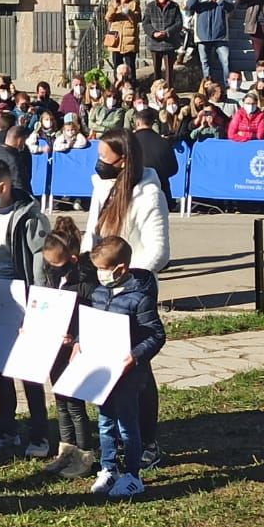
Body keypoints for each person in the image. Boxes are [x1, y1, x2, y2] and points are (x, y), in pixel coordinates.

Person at [82, 128, 170, 468]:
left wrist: (127, 278)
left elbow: (159, 250)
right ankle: (114, 438)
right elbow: (93, 232)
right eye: (99, 157)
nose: (100, 163)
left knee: (137, 372)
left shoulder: (149, 195)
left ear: (125, 161)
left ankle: (147, 442)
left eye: (107, 158)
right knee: (105, 364)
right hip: (101, 289)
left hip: (132, 291)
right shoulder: (101, 186)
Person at [0, 158, 51, 457]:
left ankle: (39, 433)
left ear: (1, 187)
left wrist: (39, 307)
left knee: (28, 369)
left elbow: (40, 264)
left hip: (24, 295)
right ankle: (6, 428)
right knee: (0, 368)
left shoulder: (30, 218)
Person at [84, 236, 165, 500]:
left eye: (102, 269)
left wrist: (135, 356)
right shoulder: (98, 294)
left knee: (128, 425)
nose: (99, 274)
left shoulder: (139, 298)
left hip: (128, 374)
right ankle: (109, 468)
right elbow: (91, 327)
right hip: (102, 371)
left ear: (119, 269)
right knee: (105, 421)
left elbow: (155, 334)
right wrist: (77, 342)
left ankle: (132, 475)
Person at [39, 216, 98, 480]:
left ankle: (85, 454)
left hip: (73, 348)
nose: (51, 268)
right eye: (47, 263)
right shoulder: (53, 276)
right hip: (53, 347)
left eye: (56, 264)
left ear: (72, 259)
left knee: (74, 404)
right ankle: (66, 449)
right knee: (60, 400)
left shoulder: (85, 283)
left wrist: (75, 337)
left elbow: (93, 316)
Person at [185, 0, 236, 84]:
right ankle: (208, 86)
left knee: (225, 62)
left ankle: (228, 86)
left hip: (220, 35)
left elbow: (231, 7)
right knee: (205, 63)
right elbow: (189, 6)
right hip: (202, 35)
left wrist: (218, 0)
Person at [130, 109, 178, 210]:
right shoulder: (164, 142)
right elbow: (173, 168)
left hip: (133, 192)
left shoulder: (128, 141)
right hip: (160, 192)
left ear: (137, 122)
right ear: (152, 123)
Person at [142, 0, 184, 86]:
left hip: (169, 43)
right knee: (157, 70)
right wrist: (153, 33)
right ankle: (157, 91)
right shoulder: (150, 6)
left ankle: (169, 92)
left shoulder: (174, 6)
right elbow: (146, 23)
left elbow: (179, 23)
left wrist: (167, 32)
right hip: (155, 43)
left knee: (169, 71)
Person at [104, 0, 140, 70]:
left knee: (130, 68)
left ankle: (131, 83)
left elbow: (137, 18)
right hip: (116, 41)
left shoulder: (134, 4)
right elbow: (108, 18)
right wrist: (114, 8)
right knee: (117, 68)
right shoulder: (113, 4)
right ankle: (118, 83)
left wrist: (129, 13)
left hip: (129, 42)